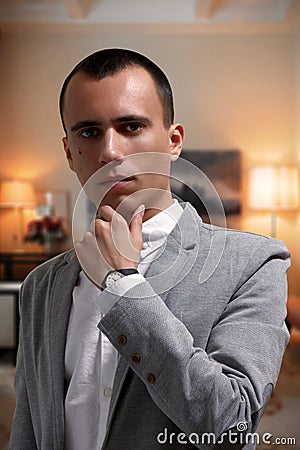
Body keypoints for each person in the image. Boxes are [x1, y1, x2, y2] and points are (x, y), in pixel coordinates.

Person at [9, 48, 290, 450]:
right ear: (70, 152)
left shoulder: (253, 263)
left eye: (131, 126)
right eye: (88, 132)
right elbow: (28, 426)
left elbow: (231, 427)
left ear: (173, 141)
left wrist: (124, 285)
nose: (109, 152)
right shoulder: (40, 286)